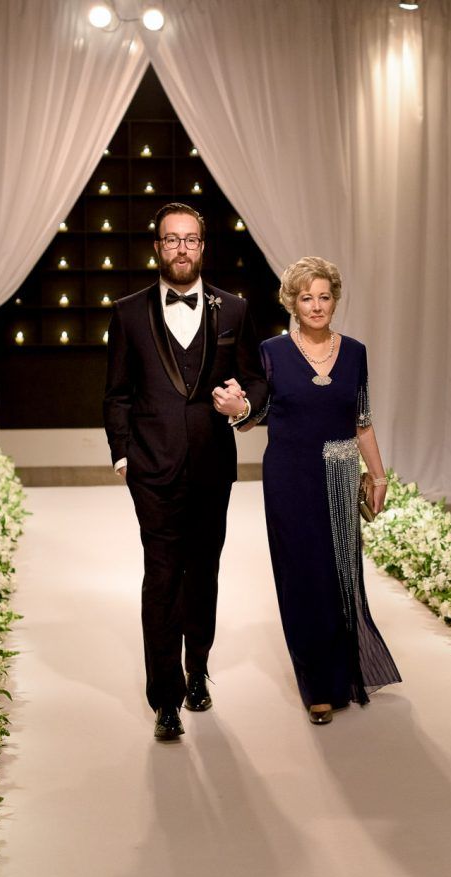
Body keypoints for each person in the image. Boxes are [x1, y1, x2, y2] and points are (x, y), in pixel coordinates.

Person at [103, 202, 268, 741]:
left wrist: (243, 406)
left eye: (190, 239)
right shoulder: (128, 312)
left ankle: (197, 668)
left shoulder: (234, 309)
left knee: (203, 573)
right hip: (151, 468)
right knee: (161, 576)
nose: (181, 248)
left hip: (212, 465)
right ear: (158, 247)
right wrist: (123, 455)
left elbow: (256, 380)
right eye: (172, 239)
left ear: (202, 246)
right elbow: (117, 392)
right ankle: (165, 698)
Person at [245, 256, 401, 724]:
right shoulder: (271, 352)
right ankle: (316, 685)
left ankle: (341, 674)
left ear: (335, 300)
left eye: (324, 297)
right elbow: (253, 416)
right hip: (288, 478)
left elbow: (362, 421)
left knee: (339, 577)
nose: (316, 306)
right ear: (291, 302)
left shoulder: (354, 352)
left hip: (339, 475)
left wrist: (377, 476)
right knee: (302, 577)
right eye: (306, 297)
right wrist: (236, 408)